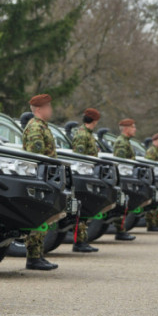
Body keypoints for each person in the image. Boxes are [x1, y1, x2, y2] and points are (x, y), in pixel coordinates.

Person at [22, 94, 58, 271]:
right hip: (39, 178)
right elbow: (36, 157)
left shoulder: (43, 126)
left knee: (43, 218)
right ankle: (33, 257)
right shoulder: (36, 127)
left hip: (46, 178)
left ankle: (37, 255)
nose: (50, 110)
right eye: (48, 107)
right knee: (38, 218)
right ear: (39, 110)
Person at [70, 108, 101, 252]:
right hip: (81, 174)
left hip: (87, 172)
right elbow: (79, 156)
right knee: (81, 209)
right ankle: (79, 242)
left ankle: (82, 240)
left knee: (84, 209)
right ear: (94, 121)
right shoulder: (82, 135)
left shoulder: (87, 134)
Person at [111, 118, 138, 241]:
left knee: (124, 203)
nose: (135, 129)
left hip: (125, 176)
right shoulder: (122, 142)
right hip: (123, 176)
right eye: (133, 127)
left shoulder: (126, 141)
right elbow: (121, 163)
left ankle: (121, 230)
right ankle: (120, 231)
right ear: (126, 129)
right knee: (122, 204)